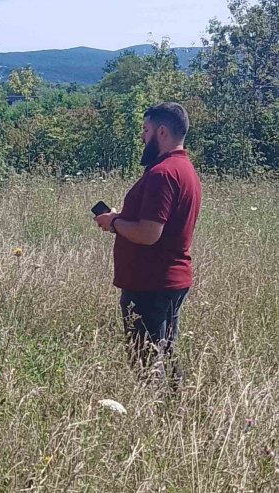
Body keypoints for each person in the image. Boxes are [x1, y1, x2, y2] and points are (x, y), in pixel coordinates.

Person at [94, 102, 202, 381]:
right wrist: (121, 217)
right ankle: (176, 411)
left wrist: (114, 222)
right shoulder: (184, 169)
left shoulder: (162, 174)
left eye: (146, 130)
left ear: (162, 132)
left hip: (150, 284)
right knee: (165, 353)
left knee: (146, 365)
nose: (142, 136)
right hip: (168, 279)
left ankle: (155, 418)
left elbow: (149, 233)